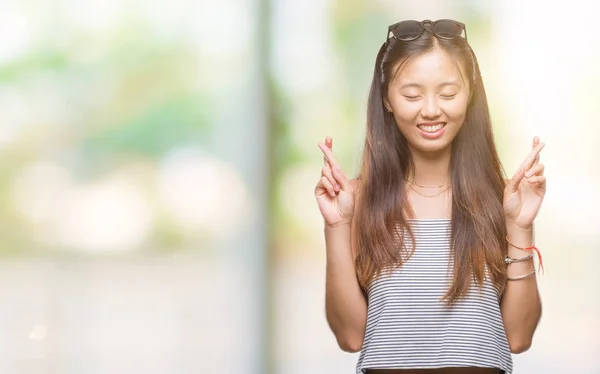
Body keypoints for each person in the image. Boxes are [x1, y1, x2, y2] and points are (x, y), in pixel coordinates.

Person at [314, 19, 545, 374]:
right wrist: (337, 225)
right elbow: (350, 336)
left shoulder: (504, 199)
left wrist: (520, 227)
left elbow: (517, 337)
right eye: (412, 95)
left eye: (448, 93)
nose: (432, 109)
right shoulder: (356, 200)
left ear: (470, 95)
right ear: (387, 99)